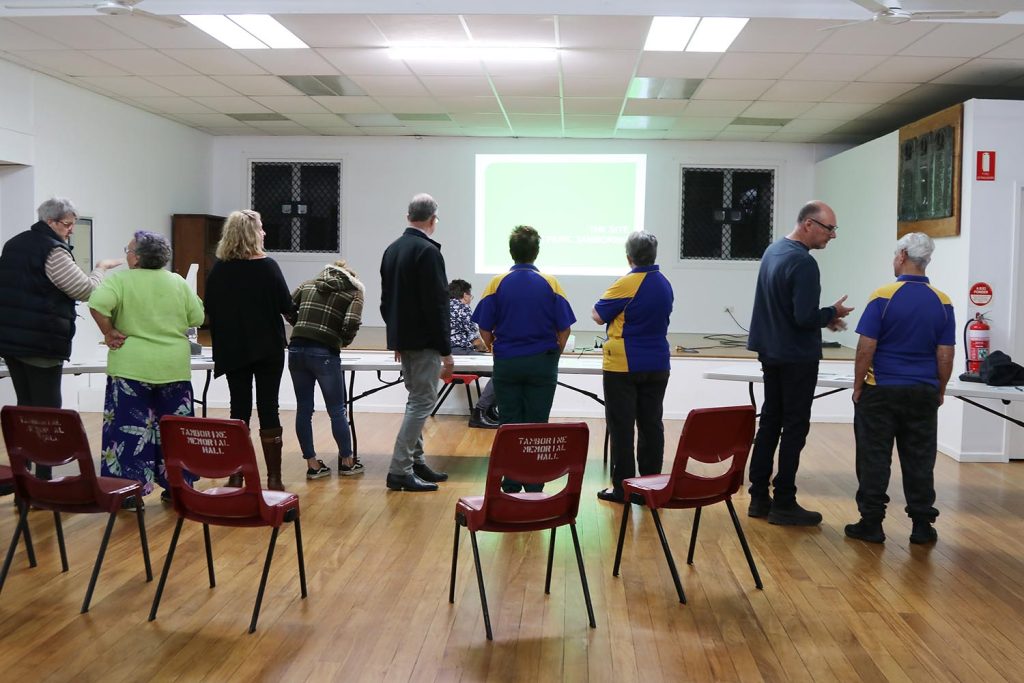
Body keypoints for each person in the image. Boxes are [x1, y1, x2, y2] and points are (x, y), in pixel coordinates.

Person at [746, 200, 854, 526]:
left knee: (769, 424)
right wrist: (831, 313)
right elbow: (804, 316)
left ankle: (758, 498)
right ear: (808, 224)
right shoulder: (804, 263)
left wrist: (823, 318)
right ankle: (784, 502)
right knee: (794, 428)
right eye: (829, 228)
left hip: (772, 353)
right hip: (796, 358)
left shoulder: (773, 251)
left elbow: (786, 309)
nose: (833, 236)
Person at [0, 197, 122, 479]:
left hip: (12, 341)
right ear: (50, 222)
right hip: (41, 341)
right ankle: (43, 479)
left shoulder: (14, 243)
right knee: (47, 413)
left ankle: (25, 476)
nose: (70, 230)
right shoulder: (52, 251)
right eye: (67, 225)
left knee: (26, 409)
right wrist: (101, 268)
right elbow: (85, 290)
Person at [846, 233, 954, 545]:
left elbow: (866, 347)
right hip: (923, 391)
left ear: (903, 254)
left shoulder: (883, 295)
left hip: (881, 390)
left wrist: (857, 386)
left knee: (874, 457)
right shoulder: (943, 301)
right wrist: (940, 389)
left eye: (895, 254)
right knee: (921, 458)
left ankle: (872, 523)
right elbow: (945, 354)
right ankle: (922, 525)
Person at [88, 231, 204, 504]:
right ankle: (178, 488)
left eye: (128, 250)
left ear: (137, 258)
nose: (126, 254)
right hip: (172, 367)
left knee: (130, 431)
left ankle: (129, 492)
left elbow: (97, 304)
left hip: (131, 366)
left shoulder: (121, 280)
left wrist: (109, 331)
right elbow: (197, 316)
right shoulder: (177, 282)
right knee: (176, 431)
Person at [473, 225, 576, 493]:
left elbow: (484, 327)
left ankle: (511, 480)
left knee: (508, 423)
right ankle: (534, 482)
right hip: (542, 362)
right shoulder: (551, 283)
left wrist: (495, 348)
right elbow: (565, 328)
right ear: (536, 252)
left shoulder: (496, 283)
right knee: (538, 423)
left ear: (511, 252)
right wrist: (555, 355)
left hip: (507, 362)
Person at [204, 210, 294, 491]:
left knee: (238, 410)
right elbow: (287, 307)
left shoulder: (219, 269)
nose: (264, 233)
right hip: (267, 348)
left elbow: (210, 309)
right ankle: (274, 479)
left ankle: (237, 474)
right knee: (269, 409)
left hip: (233, 348)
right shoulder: (268, 267)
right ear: (250, 234)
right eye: (261, 228)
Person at [592, 231, 674, 503]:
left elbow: (596, 315)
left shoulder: (627, 283)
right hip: (658, 363)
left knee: (622, 426)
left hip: (624, 364)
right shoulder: (664, 283)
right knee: (651, 424)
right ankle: (650, 486)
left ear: (629, 257)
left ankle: (623, 488)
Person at [379, 193, 453, 492]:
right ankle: (400, 469)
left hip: (405, 340)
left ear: (408, 216)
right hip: (424, 341)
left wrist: (397, 336)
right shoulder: (428, 252)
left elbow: (387, 302)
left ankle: (416, 461)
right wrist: (446, 352)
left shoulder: (392, 249)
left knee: (416, 400)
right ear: (433, 220)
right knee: (422, 402)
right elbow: (437, 305)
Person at [287, 260, 364, 480]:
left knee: (304, 409)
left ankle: (312, 465)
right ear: (350, 276)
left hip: (296, 349)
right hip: (324, 353)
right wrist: (341, 340)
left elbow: (287, 308)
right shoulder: (354, 292)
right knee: (336, 410)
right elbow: (351, 321)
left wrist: (301, 326)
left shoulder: (307, 285)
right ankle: (347, 462)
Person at [448, 278, 499, 429]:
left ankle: (488, 410)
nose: (470, 299)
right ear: (464, 295)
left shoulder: (440, 307)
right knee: (503, 371)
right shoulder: (462, 307)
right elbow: (476, 340)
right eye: (470, 296)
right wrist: (491, 348)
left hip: (446, 356)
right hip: (461, 353)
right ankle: (481, 411)